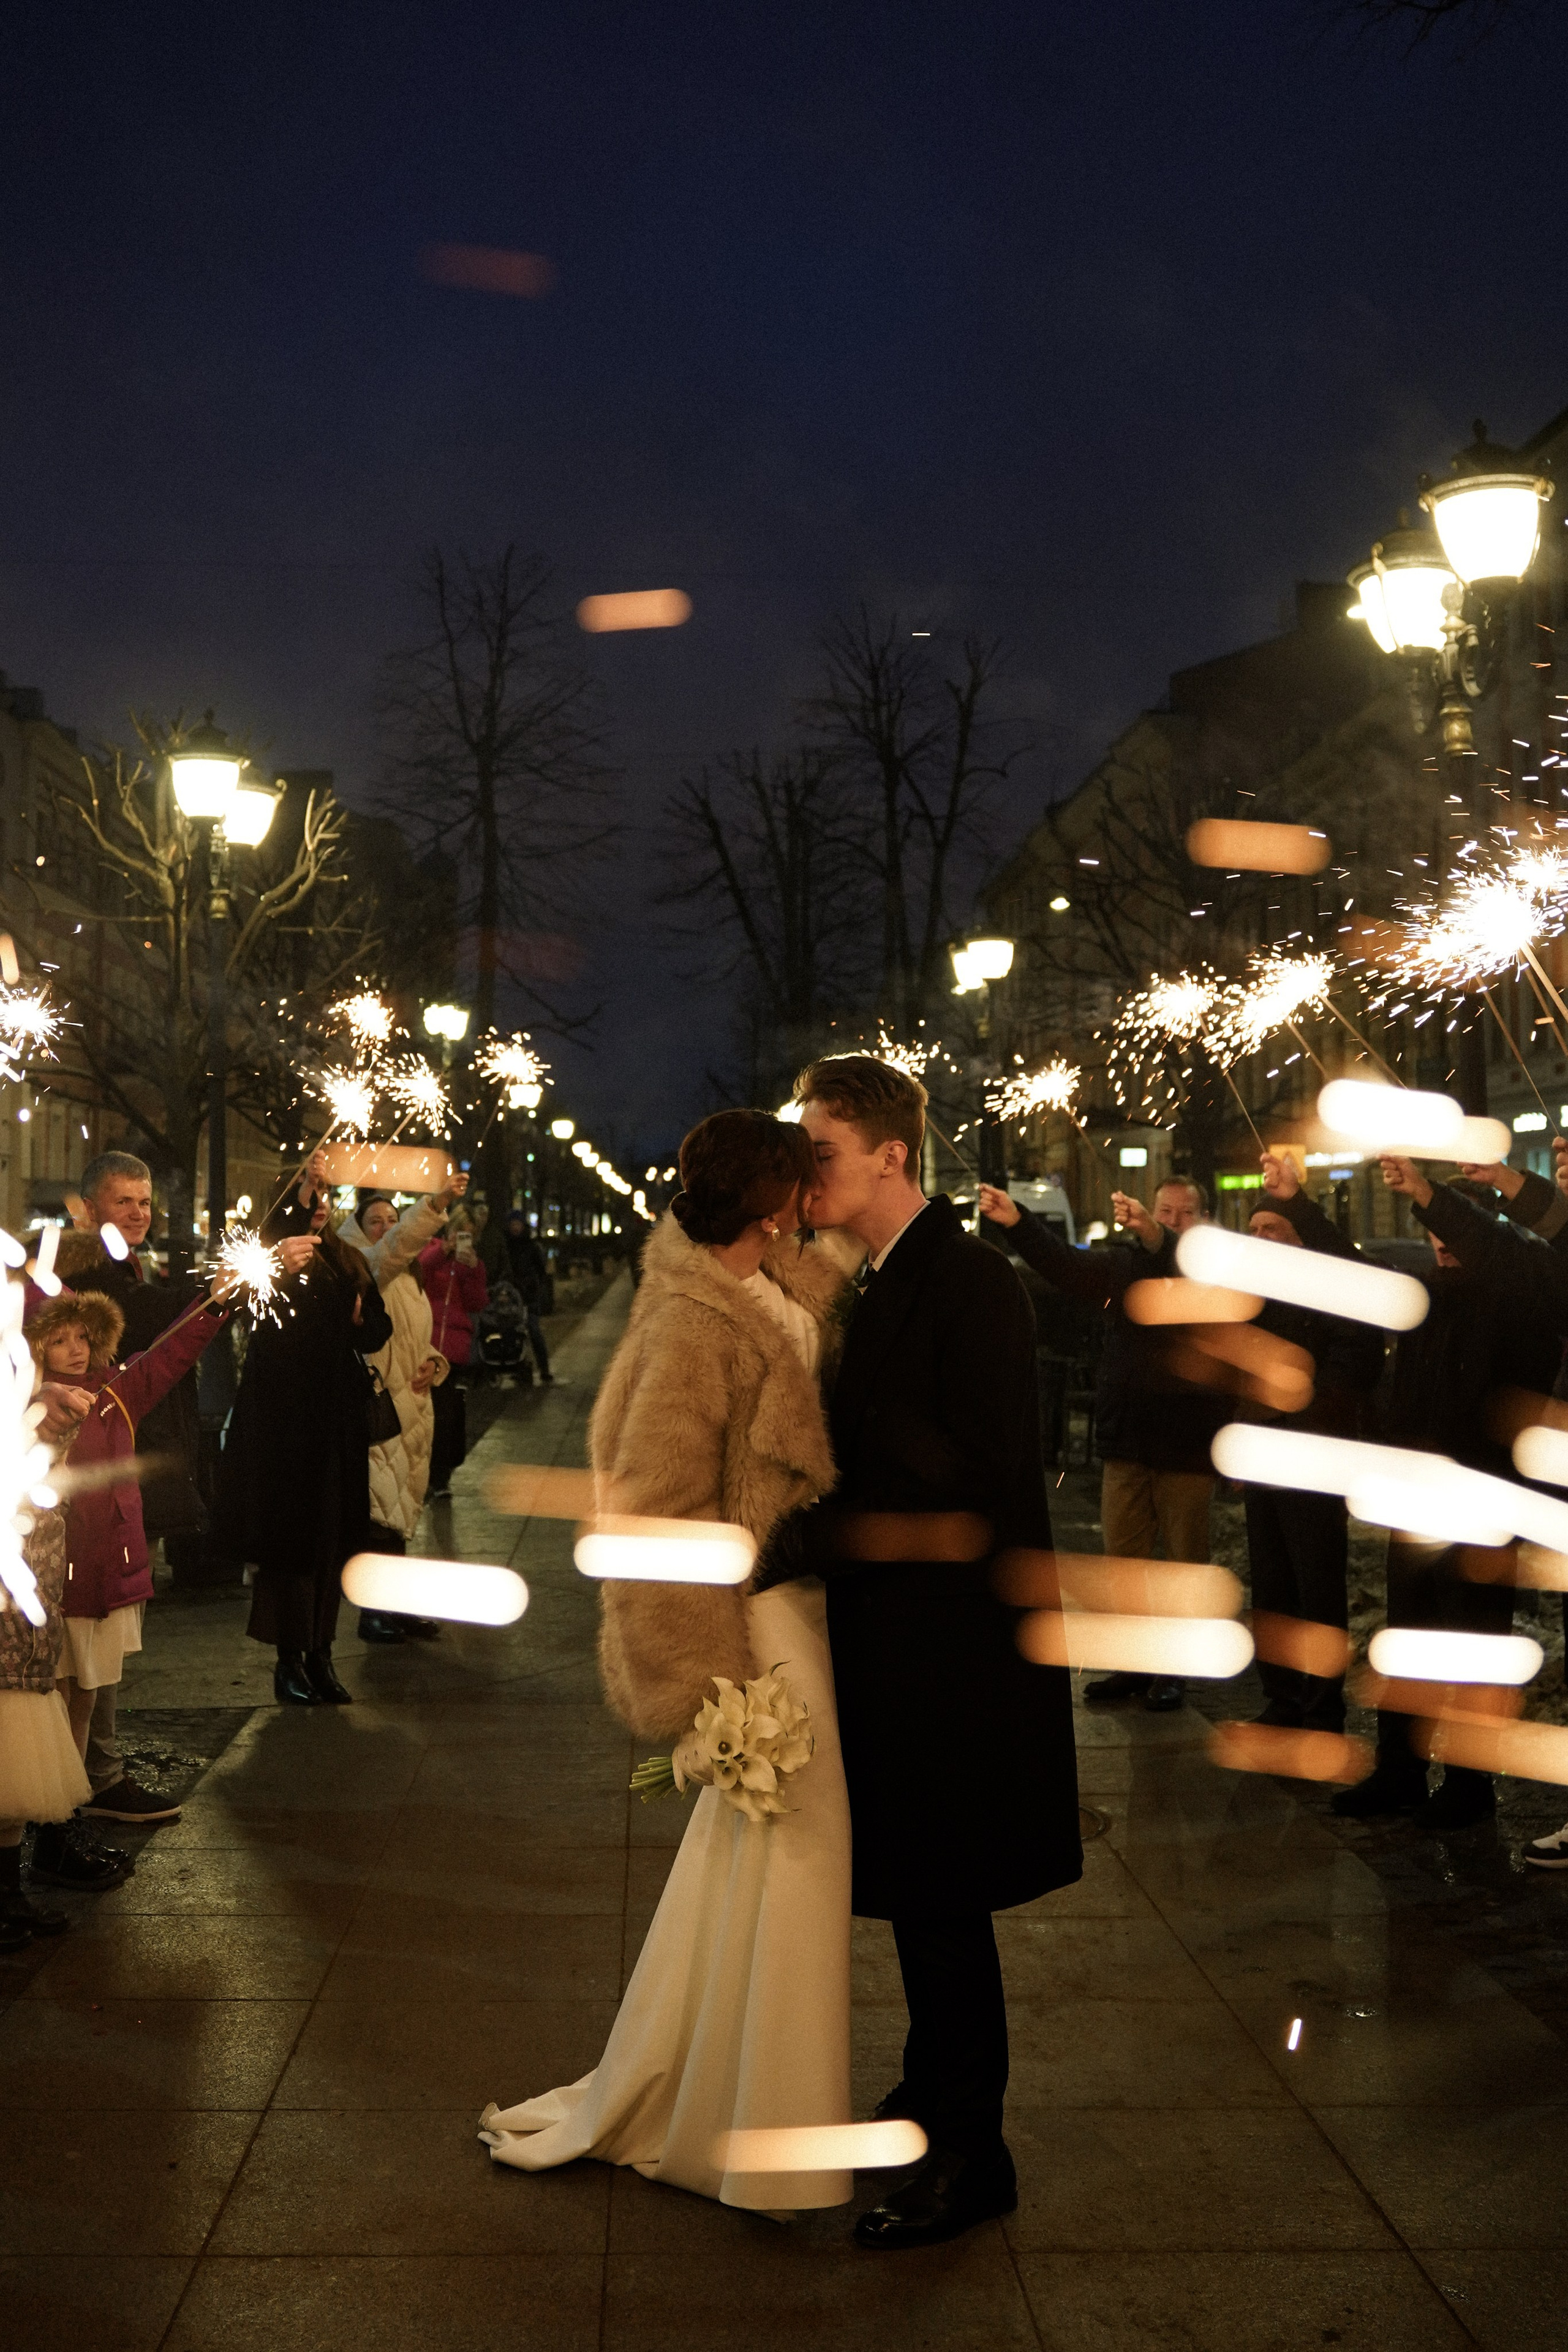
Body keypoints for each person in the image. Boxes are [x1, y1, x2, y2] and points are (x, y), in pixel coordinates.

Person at [480, 1109, 853, 2215]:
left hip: (796, 1606)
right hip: (753, 1624)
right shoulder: (694, 1317)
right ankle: (750, 2126)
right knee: (793, 1852)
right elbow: (649, 1501)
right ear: (771, 1197)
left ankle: (732, 2098)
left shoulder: (773, 1280)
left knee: (764, 1865)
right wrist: (702, 1682)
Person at [778, 1055, 1081, 2250]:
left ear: (889, 1156)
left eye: (822, 1152)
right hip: (903, 1646)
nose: (807, 1176)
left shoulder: (970, 1283)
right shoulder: (884, 1278)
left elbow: (973, 1475)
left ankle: (973, 2153)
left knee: (944, 1897)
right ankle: (926, 2089)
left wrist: (804, 1530)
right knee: (919, 1890)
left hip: (953, 1658)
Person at [1261, 1152, 1561, 1826]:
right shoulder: (1424, 1295)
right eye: (1431, 1227)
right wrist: (1298, 1207)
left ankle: (1468, 1787)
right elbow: (1356, 1274)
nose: (1439, 1241)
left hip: (1484, 1503)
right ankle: (1400, 1771)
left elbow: (1497, 1250)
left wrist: (1432, 1195)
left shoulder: (1522, 1289)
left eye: (1450, 1226)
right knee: (1408, 1636)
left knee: (1470, 1645)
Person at [980, 1172, 1223, 1713]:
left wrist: (1157, 1236)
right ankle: (1136, 1663)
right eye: (1164, 1211)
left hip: (1184, 1441)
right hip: (1129, 1436)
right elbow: (1067, 1267)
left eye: (1183, 1214)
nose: (1171, 1221)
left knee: (1183, 1564)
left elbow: (1178, 1262)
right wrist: (1018, 1222)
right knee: (1125, 1560)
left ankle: (1178, 1669)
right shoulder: (1124, 1264)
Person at [23, 1278, 236, 1874]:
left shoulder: (115, 1394)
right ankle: (54, 1827)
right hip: (60, 1584)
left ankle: (69, 1818)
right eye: (58, 1339)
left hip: (109, 1578)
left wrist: (214, 1304)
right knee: (62, 1702)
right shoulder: (32, 1407)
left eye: (84, 1337)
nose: (75, 1350)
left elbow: (171, 1352)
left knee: (87, 1697)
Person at [55, 1151, 208, 1825]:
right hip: (86, 1490)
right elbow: (151, 1323)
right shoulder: (85, 1271)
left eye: (145, 1202)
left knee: (107, 1633)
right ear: (89, 1209)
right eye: (125, 1202)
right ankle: (89, 1776)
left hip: (118, 1476)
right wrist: (218, 1290)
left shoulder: (121, 1267)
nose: (140, 1213)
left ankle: (91, 1768)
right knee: (88, 1640)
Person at [215, 1151, 393, 1705]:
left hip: (336, 1423)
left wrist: (365, 1323)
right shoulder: (270, 1260)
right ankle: (288, 1659)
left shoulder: (346, 1258)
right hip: (285, 1428)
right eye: (305, 1194)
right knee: (291, 1544)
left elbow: (374, 1330)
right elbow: (257, 1310)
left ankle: (322, 1654)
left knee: (333, 1540)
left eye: (322, 1193)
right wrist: (298, 1200)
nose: (318, 1203)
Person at [1235, 1176, 1385, 1733]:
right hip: (1264, 1459)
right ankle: (1282, 1699)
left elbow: (1355, 1363)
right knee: (1273, 1586)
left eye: (1271, 1227)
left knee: (1316, 1585)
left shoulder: (1330, 1292)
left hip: (1312, 1459)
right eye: (1253, 1229)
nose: (1259, 1237)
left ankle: (1322, 1709)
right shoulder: (1256, 1296)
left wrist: (1310, 1411)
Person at [2, 1388, 112, 1940]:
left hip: (31, 1636)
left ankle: (8, 1895)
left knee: (15, 1788)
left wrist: (58, 1421)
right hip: (7, 1637)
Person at [339, 1188, 459, 1643]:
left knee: (402, 1510)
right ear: (357, 1230)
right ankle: (373, 1611)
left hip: (415, 1408)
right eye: (377, 1220)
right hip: (382, 1406)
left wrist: (433, 1361)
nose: (388, 1227)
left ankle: (396, 1606)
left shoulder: (408, 1278)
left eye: (394, 1218)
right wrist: (433, 1206)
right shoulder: (369, 1268)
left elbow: (411, 1337)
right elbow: (394, 1249)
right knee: (379, 1514)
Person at [420, 1212, 489, 1495]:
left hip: (455, 1346)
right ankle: (426, 1473)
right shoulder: (431, 1250)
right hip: (428, 1340)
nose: (462, 1239)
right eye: (459, 1232)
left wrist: (474, 1271)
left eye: (468, 1235)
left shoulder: (473, 1264)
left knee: (446, 1415)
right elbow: (420, 1271)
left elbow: (477, 1303)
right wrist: (443, 1250)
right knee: (425, 1413)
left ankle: (440, 1477)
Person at [502, 1207, 557, 1385]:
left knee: (534, 1331)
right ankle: (518, 1368)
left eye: (518, 1224)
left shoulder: (532, 1247)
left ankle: (544, 1369)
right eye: (513, 1224)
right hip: (512, 1295)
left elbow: (541, 1271)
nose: (515, 1228)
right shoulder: (506, 1246)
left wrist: (535, 1288)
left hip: (529, 1295)